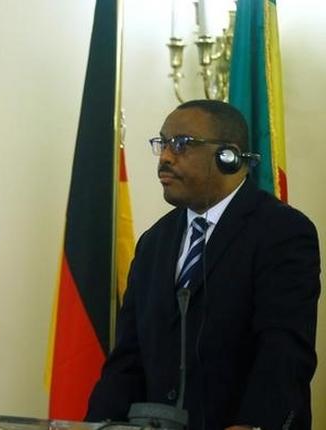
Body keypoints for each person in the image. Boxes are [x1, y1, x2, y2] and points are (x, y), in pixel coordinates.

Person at [86, 100, 320, 430]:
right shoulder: (154, 242)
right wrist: (98, 424)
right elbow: (129, 355)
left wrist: (254, 424)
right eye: (162, 143)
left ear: (229, 157)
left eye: (182, 144)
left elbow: (284, 348)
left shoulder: (282, 231)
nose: (165, 157)